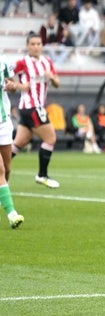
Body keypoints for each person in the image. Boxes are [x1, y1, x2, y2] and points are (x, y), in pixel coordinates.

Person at [11, 32, 61, 189]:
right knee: (51, 138)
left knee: (18, 143)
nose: (36, 47)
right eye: (33, 44)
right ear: (27, 46)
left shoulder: (47, 62)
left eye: (39, 44)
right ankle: (42, 175)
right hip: (31, 106)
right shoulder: (22, 62)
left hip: (33, 107)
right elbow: (6, 76)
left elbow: (57, 83)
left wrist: (51, 78)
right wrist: (20, 86)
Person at [0, 55, 25, 229]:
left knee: (7, 169)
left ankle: (4, 199)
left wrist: (12, 86)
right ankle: (12, 214)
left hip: (3, 123)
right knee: (0, 170)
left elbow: (12, 84)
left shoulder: (3, 63)